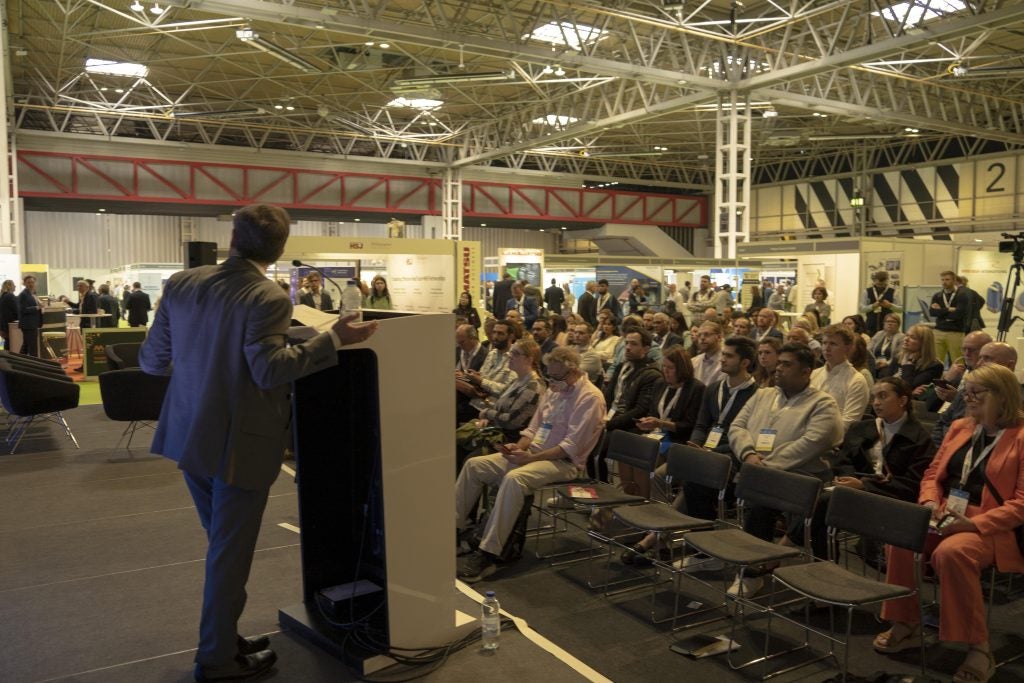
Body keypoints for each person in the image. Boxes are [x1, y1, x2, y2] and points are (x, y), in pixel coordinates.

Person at [138, 204, 378, 682]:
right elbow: (269, 369)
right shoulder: (267, 298)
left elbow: (151, 360)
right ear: (281, 250)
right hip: (238, 448)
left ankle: (221, 636)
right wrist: (332, 340)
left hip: (189, 435)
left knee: (223, 546)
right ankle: (217, 659)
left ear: (232, 236)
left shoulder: (181, 284)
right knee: (229, 552)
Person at [875, 363, 1024, 683]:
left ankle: (978, 647)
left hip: (989, 524)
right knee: (901, 538)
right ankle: (906, 622)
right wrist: (929, 503)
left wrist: (971, 524)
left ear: (1002, 396)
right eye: (966, 391)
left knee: (951, 554)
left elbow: (1021, 504)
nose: (966, 398)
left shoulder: (1021, 438)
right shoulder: (960, 427)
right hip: (943, 512)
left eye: (975, 393)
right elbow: (932, 475)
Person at [456, 346, 606, 582]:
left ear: (573, 371)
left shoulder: (590, 398)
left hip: (563, 463)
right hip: (535, 453)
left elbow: (571, 446)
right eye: (550, 376)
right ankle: (453, 530)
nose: (552, 382)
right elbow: (534, 428)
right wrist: (520, 447)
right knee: (475, 465)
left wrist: (531, 458)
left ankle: (489, 553)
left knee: (515, 479)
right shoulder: (555, 389)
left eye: (556, 377)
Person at [728, 344, 844, 594]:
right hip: (759, 471)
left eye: (786, 364)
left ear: (806, 373)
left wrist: (766, 467)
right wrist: (748, 454)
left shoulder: (823, 403)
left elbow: (813, 442)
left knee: (761, 499)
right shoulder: (763, 395)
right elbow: (737, 427)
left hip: (804, 477)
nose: (778, 368)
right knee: (753, 492)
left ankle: (753, 570)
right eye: (778, 363)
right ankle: (750, 567)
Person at [832, 377, 935, 502]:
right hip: (851, 489)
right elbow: (842, 459)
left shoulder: (920, 439)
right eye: (874, 397)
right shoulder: (860, 427)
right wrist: (847, 478)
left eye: (882, 396)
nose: (875, 403)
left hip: (889, 499)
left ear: (902, 400)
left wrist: (864, 486)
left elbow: (912, 484)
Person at [456, 339, 544, 470]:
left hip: (510, 441)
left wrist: (486, 413)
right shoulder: (518, 380)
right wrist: (487, 416)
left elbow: (512, 422)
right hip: (497, 431)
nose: (509, 356)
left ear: (529, 359)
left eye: (515, 353)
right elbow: (499, 403)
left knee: (468, 457)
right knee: (456, 443)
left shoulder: (533, 387)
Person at [598, 329, 662, 485]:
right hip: (611, 418)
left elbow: (640, 411)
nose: (627, 347)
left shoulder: (651, 374)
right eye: (626, 343)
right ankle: (592, 487)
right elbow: (608, 397)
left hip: (631, 425)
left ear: (646, 349)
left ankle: (602, 491)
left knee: (598, 447)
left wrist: (608, 424)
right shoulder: (621, 367)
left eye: (634, 344)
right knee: (585, 439)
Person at [810, 325, 870, 433]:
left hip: (833, 441)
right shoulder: (814, 374)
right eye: (824, 343)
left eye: (833, 344)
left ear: (848, 348)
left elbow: (848, 423)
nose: (826, 348)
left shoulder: (857, 380)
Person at [881, 323, 943, 392]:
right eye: (906, 335)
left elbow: (907, 387)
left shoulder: (934, 366)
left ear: (924, 343)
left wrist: (908, 364)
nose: (906, 339)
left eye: (913, 338)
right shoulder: (898, 357)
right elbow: (885, 382)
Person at [932, 270, 967, 366]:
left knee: (958, 361)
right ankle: (937, 379)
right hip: (939, 331)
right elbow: (932, 312)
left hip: (956, 332)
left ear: (954, 280)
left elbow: (959, 314)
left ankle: (958, 380)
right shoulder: (937, 296)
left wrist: (941, 311)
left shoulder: (961, 295)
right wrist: (948, 309)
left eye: (947, 279)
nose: (944, 282)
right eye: (942, 280)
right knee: (936, 361)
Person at [861, 269, 902, 336]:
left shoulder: (894, 292)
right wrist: (872, 306)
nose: (880, 286)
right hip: (870, 326)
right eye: (878, 284)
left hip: (887, 327)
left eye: (882, 284)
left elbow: (900, 309)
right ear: (874, 281)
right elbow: (861, 309)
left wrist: (890, 306)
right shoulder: (866, 291)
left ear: (887, 281)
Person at [691, 321, 727, 387]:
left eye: (706, 334)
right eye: (699, 335)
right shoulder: (693, 361)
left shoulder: (726, 362)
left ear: (719, 337)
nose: (702, 338)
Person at [0, 280, 18, 351]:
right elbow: (17, 310)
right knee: (10, 345)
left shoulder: (2, 296)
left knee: (4, 343)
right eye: (14, 284)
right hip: (10, 325)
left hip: (3, 325)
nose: (15, 286)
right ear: (9, 286)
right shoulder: (10, 296)